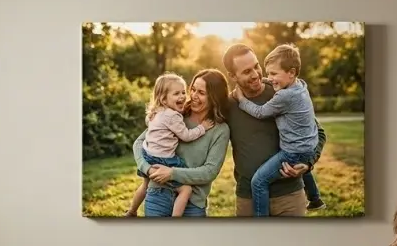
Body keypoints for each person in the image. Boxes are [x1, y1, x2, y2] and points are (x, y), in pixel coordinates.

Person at [221, 44, 327, 216]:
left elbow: (318, 133)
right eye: (247, 71)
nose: (256, 74)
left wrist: (308, 164)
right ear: (232, 76)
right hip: (248, 199)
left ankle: (314, 199)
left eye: (257, 66)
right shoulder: (228, 106)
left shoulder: (282, 91)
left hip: (289, 197)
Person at [130, 69, 231, 217]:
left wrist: (172, 173)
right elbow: (139, 143)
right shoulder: (176, 114)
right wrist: (147, 169)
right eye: (193, 89)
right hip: (158, 193)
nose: (194, 96)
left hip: (193, 203)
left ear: (214, 98)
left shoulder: (219, 130)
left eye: (201, 93)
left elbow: (209, 171)